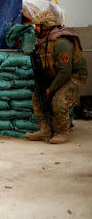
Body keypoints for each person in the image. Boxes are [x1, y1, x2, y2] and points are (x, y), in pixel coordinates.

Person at [26, 11, 88, 144]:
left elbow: (65, 71)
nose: (35, 29)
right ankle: (45, 130)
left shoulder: (61, 43)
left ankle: (63, 133)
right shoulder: (43, 42)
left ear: (47, 26)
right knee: (37, 98)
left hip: (74, 75)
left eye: (38, 26)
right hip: (56, 75)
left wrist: (51, 89)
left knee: (59, 101)